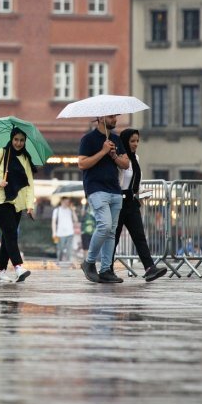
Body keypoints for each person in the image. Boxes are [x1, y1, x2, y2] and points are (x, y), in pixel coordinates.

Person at [78, 115, 129, 284]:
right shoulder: (88, 139)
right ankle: (89, 262)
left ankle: (106, 269)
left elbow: (125, 164)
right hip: (95, 188)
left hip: (114, 188)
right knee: (104, 225)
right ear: (101, 118)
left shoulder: (116, 139)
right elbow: (82, 164)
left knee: (112, 231)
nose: (115, 119)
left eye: (116, 116)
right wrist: (103, 152)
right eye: (111, 116)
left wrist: (113, 155)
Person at [113, 129, 167, 282]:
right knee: (114, 237)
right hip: (118, 201)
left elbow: (137, 181)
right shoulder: (119, 159)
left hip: (132, 202)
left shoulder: (136, 158)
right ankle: (107, 269)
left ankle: (149, 268)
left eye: (137, 141)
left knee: (139, 236)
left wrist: (142, 194)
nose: (136, 144)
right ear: (124, 142)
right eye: (132, 141)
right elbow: (117, 180)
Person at [0, 127, 35, 283]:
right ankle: (18, 266)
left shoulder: (25, 158)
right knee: (11, 232)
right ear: (11, 139)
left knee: (7, 235)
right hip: (0, 199)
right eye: (16, 139)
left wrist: (29, 204)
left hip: (17, 203)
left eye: (21, 140)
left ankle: (1, 270)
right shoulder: (0, 153)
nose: (18, 143)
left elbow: (30, 184)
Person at [52, 197, 78, 262]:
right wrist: (54, 232)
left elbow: (76, 220)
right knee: (60, 249)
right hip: (60, 234)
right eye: (65, 201)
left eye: (68, 202)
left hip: (70, 233)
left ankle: (68, 263)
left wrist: (73, 210)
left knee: (69, 250)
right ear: (62, 201)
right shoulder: (57, 210)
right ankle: (59, 262)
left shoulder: (70, 210)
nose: (67, 203)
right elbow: (53, 222)